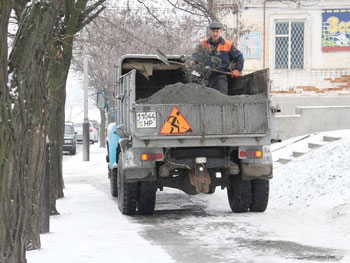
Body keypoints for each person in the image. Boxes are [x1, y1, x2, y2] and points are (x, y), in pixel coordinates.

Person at [190, 21, 244, 94]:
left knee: (222, 96)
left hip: (220, 75)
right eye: (213, 31)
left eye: (217, 31)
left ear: (221, 31)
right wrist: (193, 60)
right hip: (206, 76)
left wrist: (237, 70)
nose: (215, 34)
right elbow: (196, 55)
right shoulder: (203, 44)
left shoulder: (228, 45)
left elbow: (239, 57)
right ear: (210, 31)